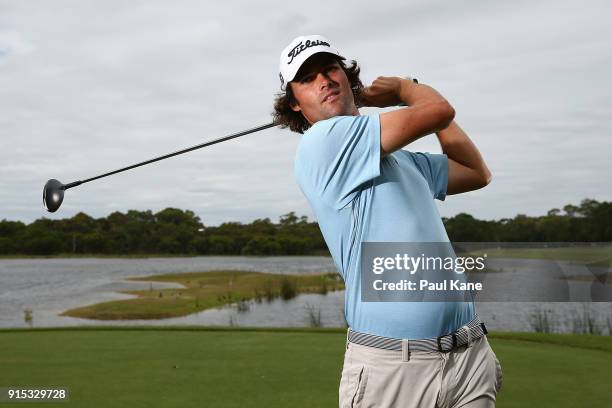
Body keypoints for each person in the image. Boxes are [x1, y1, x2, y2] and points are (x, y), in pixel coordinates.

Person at [273, 35, 502, 408]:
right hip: (394, 366)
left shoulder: (406, 161)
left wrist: (415, 97)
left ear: (348, 79)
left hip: (469, 355)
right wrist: (405, 89)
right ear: (295, 105)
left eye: (330, 69)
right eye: (307, 78)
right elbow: (437, 111)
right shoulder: (323, 141)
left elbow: (476, 172)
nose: (324, 81)